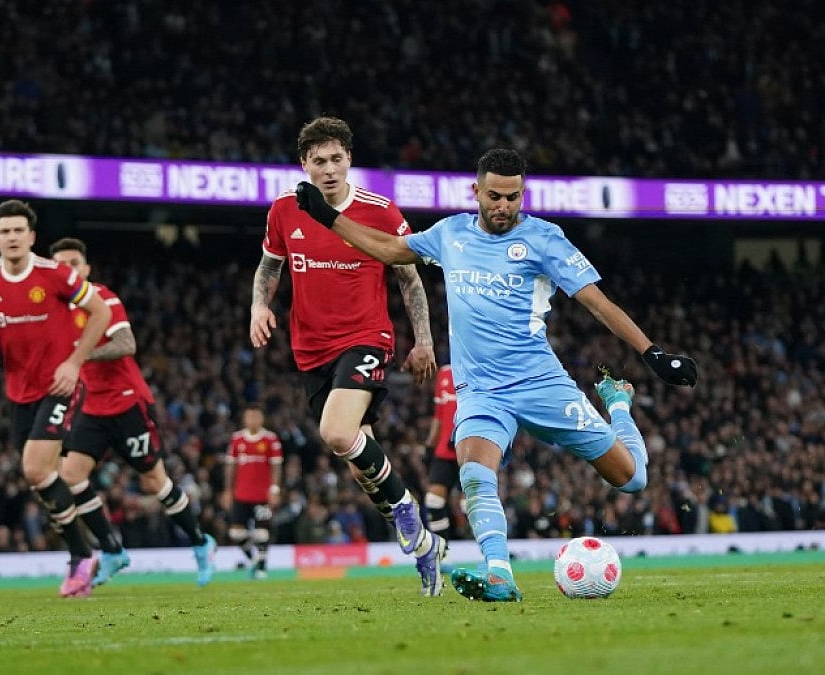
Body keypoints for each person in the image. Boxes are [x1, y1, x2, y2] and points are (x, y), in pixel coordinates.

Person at [292, 148, 697, 601]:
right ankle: (500, 576)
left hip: (541, 383)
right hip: (482, 392)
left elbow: (597, 302)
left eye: (513, 197)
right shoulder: (451, 234)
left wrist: (653, 353)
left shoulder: (545, 239)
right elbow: (389, 249)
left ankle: (619, 405)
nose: (504, 206)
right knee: (474, 472)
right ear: (477, 192)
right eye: (495, 196)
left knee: (632, 478)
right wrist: (328, 216)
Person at [249, 115, 448, 596]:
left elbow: (408, 278)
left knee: (336, 432)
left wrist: (423, 340)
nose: (330, 169)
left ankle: (406, 512)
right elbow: (268, 267)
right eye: (319, 161)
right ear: (305, 164)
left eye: (337, 159)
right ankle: (424, 545)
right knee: (360, 462)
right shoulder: (283, 211)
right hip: (310, 351)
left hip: (366, 337)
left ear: (349, 160)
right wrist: (259, 304)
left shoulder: (379, 212)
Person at [0, 199, 112, 598]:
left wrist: (74, 363)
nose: (12, 237)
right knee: (42, 478)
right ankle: (85, 554)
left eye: (19, 230)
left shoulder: (55, 274)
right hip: (18, 392)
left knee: (36, 469)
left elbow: (100, 313)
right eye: (5, 232)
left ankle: (85, 553)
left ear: (32, 236)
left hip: (59, 385)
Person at [48, 237, 217, 587]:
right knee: (71, 474)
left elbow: (127, 344)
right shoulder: (55, 309)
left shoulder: (103, 298)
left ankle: (202, 542)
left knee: (153, 481)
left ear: (86, 269)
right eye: (61, 265)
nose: (68, 271)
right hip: (92, 406)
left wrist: (77, 356)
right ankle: (112, 551)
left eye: (74, 263)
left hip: (127, 403)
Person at [223, 404, 283, 579]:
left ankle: (262, 568)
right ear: (244, 419)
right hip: (241, 494)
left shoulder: (271, 440)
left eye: (256, 417)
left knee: (262, 532)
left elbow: (276, 467)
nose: (252, 420)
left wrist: (275, 489)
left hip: (262, 495)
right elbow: (230, 467)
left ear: (262, 419)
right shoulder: (237, 439)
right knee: (235, 533)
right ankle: (254, 559)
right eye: (249, 417)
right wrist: (227, 491)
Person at [423, 364, 459, 543]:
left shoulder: (480, 367)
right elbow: (439, 414)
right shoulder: (444, 373)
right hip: (445, 450)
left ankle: (492, 552)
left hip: (471, 449)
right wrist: (430, 443)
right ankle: (442, 550)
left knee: (472, 504)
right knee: (433, 501)